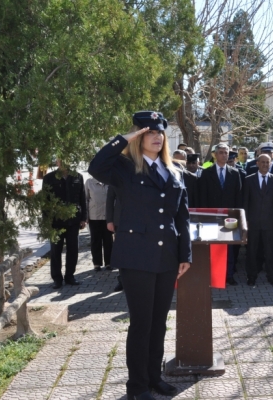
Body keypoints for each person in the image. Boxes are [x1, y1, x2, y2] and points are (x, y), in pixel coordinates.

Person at [88, 111, 191, 400]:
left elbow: (181, 217)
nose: (157, 137)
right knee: (141, 323)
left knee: (159, 322)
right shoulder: (123, 167)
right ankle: (137, 386)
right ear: (138, 137)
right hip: (136, 257)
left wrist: (186, 254)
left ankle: (154, 377)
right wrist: (123, 139)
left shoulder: (174, 171)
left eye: (160, 132)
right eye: (149, 132)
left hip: (168, 256)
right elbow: (95, 166)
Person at [198, 143, 243, 285]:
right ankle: (212, 275)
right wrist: (204, 216)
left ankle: (228, 275)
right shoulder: (207, 172)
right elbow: (202, 196)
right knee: (212, 245)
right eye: (221, 152)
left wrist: (238, 216)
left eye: (226, 152)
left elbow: (238, 196)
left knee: (228, 246)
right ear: (215, 155)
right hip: (211, 216)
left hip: (229, 217)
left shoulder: (235, 173)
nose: (224, 155)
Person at [42, 160, 87, 289]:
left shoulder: (78, 176)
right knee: (56, 250)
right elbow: (45, 202)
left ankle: (70, 276)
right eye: (60, 160)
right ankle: (57, 278)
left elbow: (82, 198)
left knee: (73, 249)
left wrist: (84, 218)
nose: (63, 162)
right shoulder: (49, 178)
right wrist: (46, 221)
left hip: (74, 220)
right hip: (56, 221)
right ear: (57, 162)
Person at [243, 154, 273, 286]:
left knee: (270, 251)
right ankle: (251, 276)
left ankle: (271, 275)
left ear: (271, 164)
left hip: (270, 223)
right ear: (257, 163)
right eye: (263, 162)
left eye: (268, 162)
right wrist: (245, 220)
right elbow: (245, 202)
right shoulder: (249, 180)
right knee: (252, 251)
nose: (265, 164)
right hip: (252, 222)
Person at [85, 176, 113, 272]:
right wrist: (86, 216)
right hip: (94, 216)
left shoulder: (109, 181)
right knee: (95, 241)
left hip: (108, 217)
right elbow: (86, 199)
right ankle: (97, 263)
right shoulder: (89, 182)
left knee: (108, 240)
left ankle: (109, 262)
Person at [106, 185, 123, 292]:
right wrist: (110, 220)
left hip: (140, 221)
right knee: (121, 252)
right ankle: (122, 281)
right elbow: (110, 199)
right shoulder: (117, 174)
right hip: (120, 221)